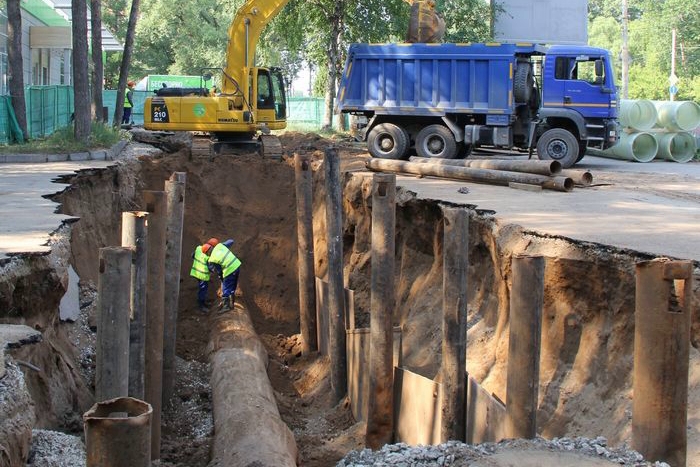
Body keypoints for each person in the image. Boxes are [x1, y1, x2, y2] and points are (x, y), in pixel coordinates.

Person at [202, 237, 241, 313]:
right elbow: (231, 240)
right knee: (232, 285)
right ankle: (232, 303)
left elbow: (219, 271)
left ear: (207, 253)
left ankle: (226, 306)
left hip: (229, 269)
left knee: (226, 287)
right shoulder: (220, 246)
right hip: (237, 265)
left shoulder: (212, 259)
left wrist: (222, 278)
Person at [189, 243, 211, 312]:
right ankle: (201, 306)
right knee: (203, 290)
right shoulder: (207, 258)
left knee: (202, 289)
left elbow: (192, 255)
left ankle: (203, 303)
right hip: (203, 276)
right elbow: (211, 268)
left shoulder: (198, 249)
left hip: (196, 273)